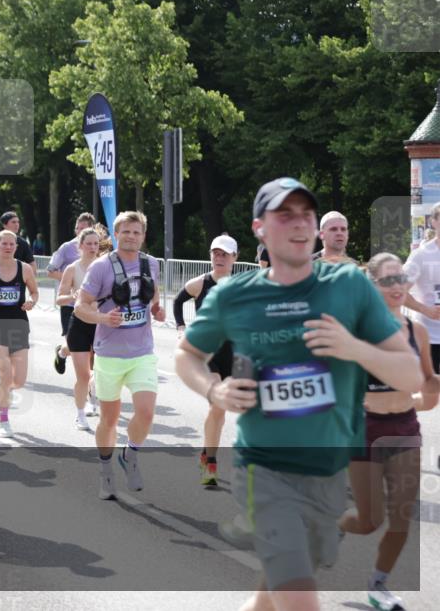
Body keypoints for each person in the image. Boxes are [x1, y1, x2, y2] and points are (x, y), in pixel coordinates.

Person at [174, 177, 423, 611]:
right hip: (266, 468)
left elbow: (410, 373)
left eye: (306, 214)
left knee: (274, 588)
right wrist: (214, 390)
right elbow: (187, 356)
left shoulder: (349, 286)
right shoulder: (235, 294)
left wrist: (354, 348)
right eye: (284, 214)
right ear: (259, 228)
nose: (299, 224)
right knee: (300, 596)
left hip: (326, 468)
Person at [337, 252, 439, 611]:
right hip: (366, 429)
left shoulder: (418, 333)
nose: (397, 287)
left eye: (401, 279)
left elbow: (427, 395)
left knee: (401, 518)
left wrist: (431, 390)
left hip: (405, 429)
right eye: (388, 280)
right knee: (368, 521)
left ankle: (378, 584)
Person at [75, 211, 165, 498]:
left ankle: (130, 455)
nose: (131, 236)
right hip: (110, 355)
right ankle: (105, 472)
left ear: (143, 235)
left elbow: (153, 295)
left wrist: (157, 309)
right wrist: (103, 319)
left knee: (146, 412)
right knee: (110, 421)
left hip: (142, 352)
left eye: (136, 232)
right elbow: (80, 306)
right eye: (125, 232)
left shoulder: (151, 263)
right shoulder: (101, 267)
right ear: (116, 235)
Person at [173, 234, 238, 485]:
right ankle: (210, 461)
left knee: (228, 412)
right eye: (216, 253)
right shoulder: (200, 283)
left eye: (225, 254)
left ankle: (207, 453)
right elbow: (179, 300)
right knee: (217, 406)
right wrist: (180, 328)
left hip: (234, 355)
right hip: (208, 355)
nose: (219, 258)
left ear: (235, 257)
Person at [0, 230, 38, 438]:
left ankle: (4, 387)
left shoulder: (24, 268)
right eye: (4, 243)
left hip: (19, 325)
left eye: (12, 244)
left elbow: (34, 291)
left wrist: (32, 301)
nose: (8, 247)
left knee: (19, 381)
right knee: (6, 374)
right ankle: (3, 420)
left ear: (16, 247)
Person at [57, 228, 102, 430]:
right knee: (84, 375)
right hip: (80, 323)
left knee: (99, 372)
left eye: (96, 244)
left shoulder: (105, 266)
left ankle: (94, 400)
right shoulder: (72, 269)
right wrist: (73, 296)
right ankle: (80, 414)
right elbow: (59, 298)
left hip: (102, 324)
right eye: (89, 244)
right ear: (80, 246)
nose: (93, 248)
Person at [49, 213, 97, 374]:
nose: (79, 231)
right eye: (78, 228)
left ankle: (92, 385)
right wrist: (74, 284)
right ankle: (62, 353)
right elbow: (50, 271)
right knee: (76, 343)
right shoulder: (66, 248)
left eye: (84, 228)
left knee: (92, 348)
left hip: (95, 309)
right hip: (71, 306)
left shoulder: (100, 249)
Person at [403, 200, 440, 373]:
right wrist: (425, 309)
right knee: (430, 394)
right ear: (433, 222)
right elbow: (398, 291)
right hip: (429, 338)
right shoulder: (421, 255)